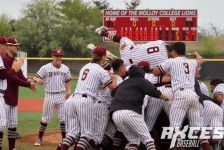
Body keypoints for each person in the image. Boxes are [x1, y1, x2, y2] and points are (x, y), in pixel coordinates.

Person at [151, 42, 211, 149]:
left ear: (174, 51)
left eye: (171, 50)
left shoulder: (171, 61)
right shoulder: (192, 62)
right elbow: (200, 60)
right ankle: (207, 147)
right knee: (197, 128)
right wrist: (196, 54)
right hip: (193, 96)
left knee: (175, 126)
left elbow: (156, 72)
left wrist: (164, 71)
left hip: (181, 94)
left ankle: (179, 147)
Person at [60, 46, 117, 150]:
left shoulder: (85, 66)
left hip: (72, 100)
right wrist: (114, 77)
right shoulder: (101, 70)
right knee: (86, 134)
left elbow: (99, 86)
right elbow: (113, 88)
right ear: (103, 57)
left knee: (71, 134)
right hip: (85, 100)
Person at [110, 65, 170, 150]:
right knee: (148, 140)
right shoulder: (141, 81)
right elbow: (155, 92)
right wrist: (167, 98)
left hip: (116, 114)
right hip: (130, 112)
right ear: (141, 73)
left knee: (134, 142)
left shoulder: (124, 82)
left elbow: (112, 93)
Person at [2, 37, 36, 150]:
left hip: (13, 97)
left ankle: (12, 148)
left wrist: (32, 81)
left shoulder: (15, 60)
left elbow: (21, 76)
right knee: (1, 126)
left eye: (17, 45)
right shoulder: (4, 59)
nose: (17, 47)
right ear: (8, 46)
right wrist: (28, 85)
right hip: (4, 97)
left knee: (12, 125)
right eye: (15, 45)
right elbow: (11, 79)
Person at [33, 49, 72, 146]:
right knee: (45, 118)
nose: (59, 58)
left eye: (60, 56)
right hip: (49, 95)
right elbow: (34, 77)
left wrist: (69, 91)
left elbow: (68, 80)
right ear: (53, 57)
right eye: (56, 56)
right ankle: (39, 138)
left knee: (63, 118)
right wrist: (38, 80)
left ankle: (64, 140)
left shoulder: (65, 68)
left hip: (61, 95)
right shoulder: (45, 68)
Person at [95, 26, 168, 67]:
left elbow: (147, 44)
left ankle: (103, 33)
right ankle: (112, 60)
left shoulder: (161, 43)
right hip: (129, 65)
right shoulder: (165, 61)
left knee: (122, 39)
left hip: (128, 50)